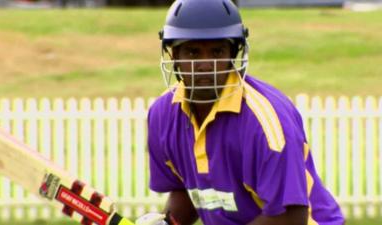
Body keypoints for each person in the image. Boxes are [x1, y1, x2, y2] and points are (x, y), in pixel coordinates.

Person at [136, 0, 345, 224]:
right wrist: (168, 222)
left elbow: (291, 217)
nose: (206, 64)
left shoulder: (265, 123)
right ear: (174, 55)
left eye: (217, 51)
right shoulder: (162, 115)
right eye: (193, 52)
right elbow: (190, 190)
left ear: (234, 53)